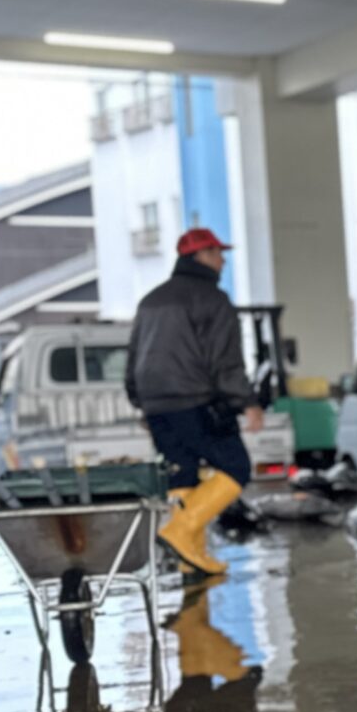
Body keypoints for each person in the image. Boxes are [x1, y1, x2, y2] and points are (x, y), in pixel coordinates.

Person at [126, 226, 263, 577]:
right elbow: (225, 360)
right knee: (235, 467)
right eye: (218, 253)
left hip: (156, 405)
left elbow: (133, 356)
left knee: (183, 471)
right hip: (196, 401)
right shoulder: (212, 300)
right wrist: (246, 401)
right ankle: (181, 532)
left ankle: (191, 558)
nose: (223, 261)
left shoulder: (151, 300)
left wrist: (140, 401)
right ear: (200, 256)